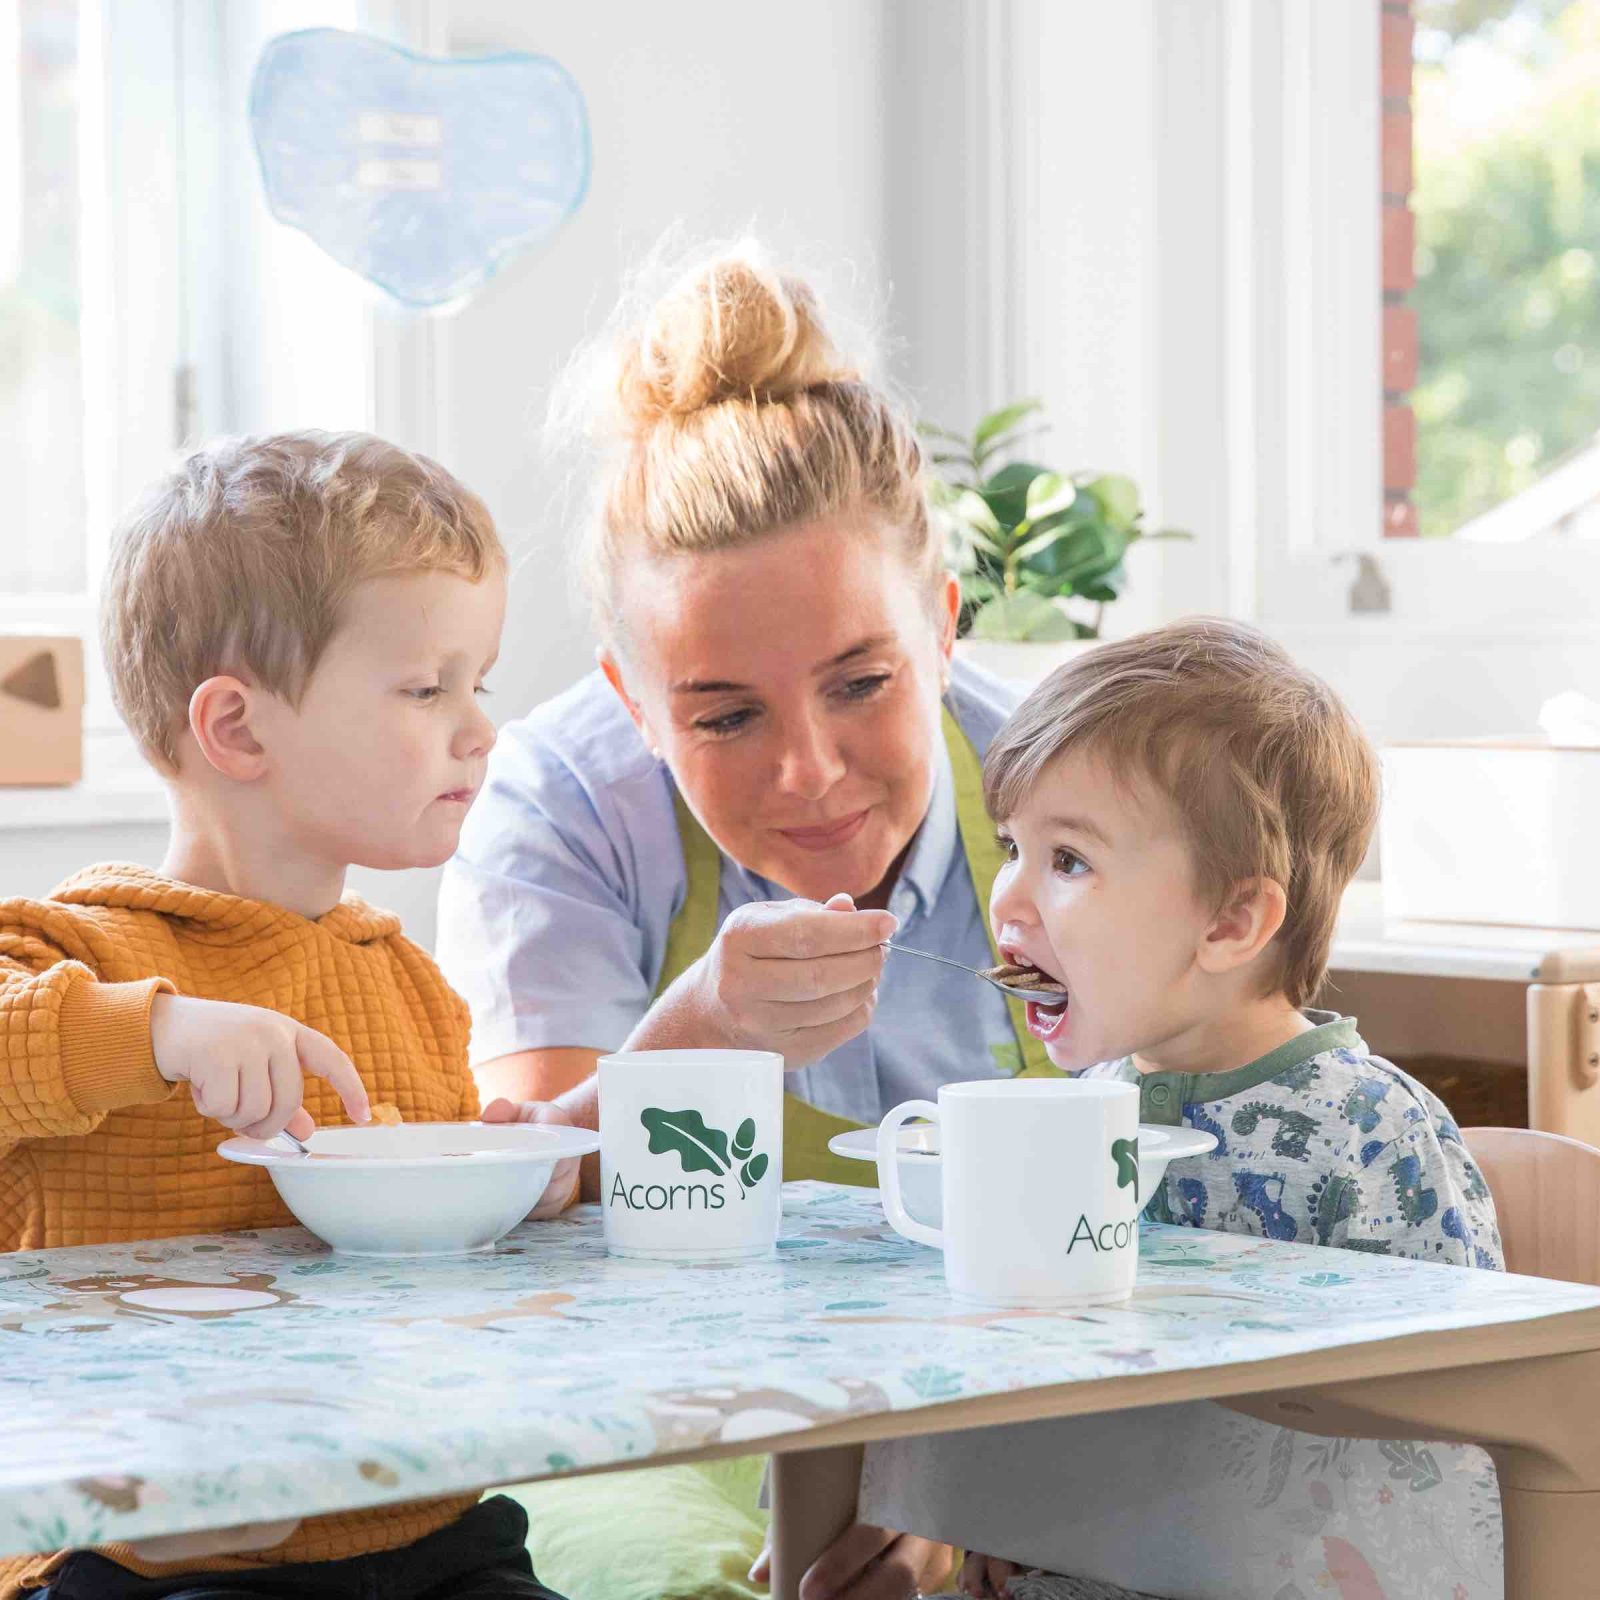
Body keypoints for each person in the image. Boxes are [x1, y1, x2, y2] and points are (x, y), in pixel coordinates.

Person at [436, 244, 1048, 1599]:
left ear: (942, 629)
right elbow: (534, 1212)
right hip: (652, 1413)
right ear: (634, 702)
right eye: (723, 716)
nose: (809, 773)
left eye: (862, 684)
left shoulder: (1071, 797)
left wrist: (955, 1491)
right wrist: (703, 1030)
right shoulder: (556, 808)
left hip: (1017, 1409)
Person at [0, 432, 577, 1600]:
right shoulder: (76, 951)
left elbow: (425, 1290)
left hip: (421, 1533)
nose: (479, 729)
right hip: (149, 1555)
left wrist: (514, 1180)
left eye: (482, 682)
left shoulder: (409, 982)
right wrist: (158, 1032)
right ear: (241, 729)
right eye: (427, 688)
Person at [853, 618, 1505, 1600]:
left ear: (1230, 921)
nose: (1010, 901)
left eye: (1067, 860)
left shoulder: (1371, 1134)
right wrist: (998, 1504)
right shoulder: (1086, 1105)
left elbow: (1446, 1433)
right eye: (1011, 849)